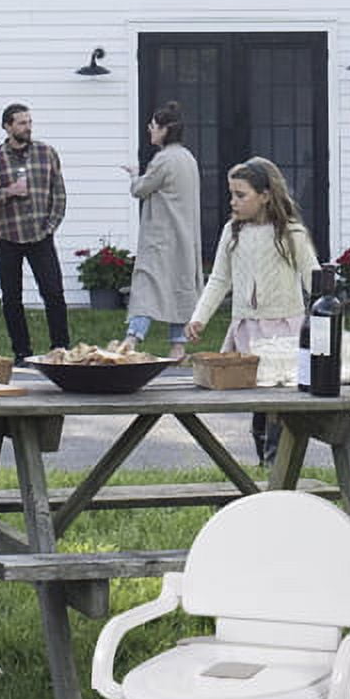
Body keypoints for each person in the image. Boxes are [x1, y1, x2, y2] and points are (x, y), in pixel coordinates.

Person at [186, 156, 320, 466]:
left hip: (284, 331)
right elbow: (219, 280)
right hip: (248, 329)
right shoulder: (232, 232)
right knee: (256, 399)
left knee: (280, 400)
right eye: (231, 194)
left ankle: (277, 461)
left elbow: (312, 277)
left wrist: (329, 308)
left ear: (265, 195)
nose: (232, 201)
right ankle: (263, 459)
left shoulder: (291, 233)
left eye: (240, 195)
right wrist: (199, 318)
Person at [0, 103, 70, 364]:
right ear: (7, 126)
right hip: (7, 235)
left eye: (29, 122)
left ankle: (61, 348)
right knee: (12, 297)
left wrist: (50, 226)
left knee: (53, 293)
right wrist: (7, 192)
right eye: (21, 123)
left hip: (40, 235)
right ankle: (21, 352)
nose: (27, 127)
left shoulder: (46, 153)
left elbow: (59, 194)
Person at [121, 102, 202, 362]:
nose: (150, 129)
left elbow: (140, 190)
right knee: (181, 288)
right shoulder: (188, 158)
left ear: (165, 130)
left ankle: (131, 339)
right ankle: (178, 347)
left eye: (154, 126)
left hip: (161, 237)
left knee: (147, 287)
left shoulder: (163, 159)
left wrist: (135, 175)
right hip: (184, 236)